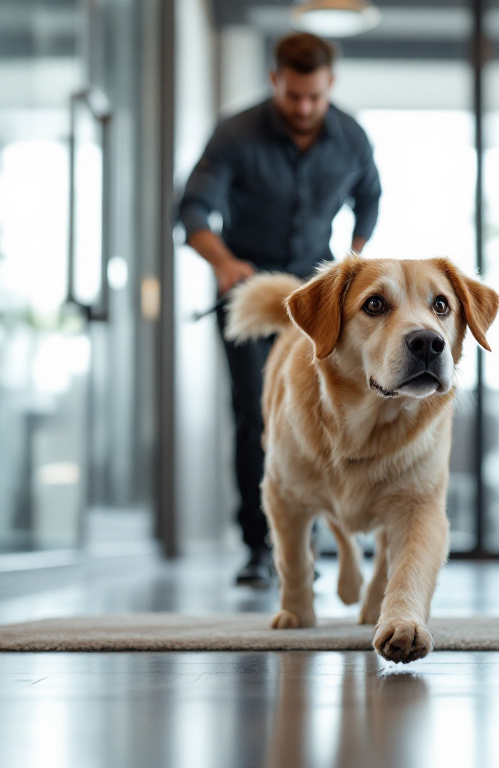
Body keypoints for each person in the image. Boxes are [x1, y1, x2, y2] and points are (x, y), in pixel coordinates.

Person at [177, 32, 382, 586]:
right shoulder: (236, 134)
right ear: (276, 82)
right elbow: (193, 210)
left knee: (317, 417)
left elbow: (370, 197)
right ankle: (258, 548)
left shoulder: (351, 138)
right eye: (294, 96)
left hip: (315, 303)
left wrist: (354, 260)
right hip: (248, 294)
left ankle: (309, 545)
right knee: (255, 416)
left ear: (329, 85)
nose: (305, 108)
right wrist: (222, 262)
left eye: (314, 97)